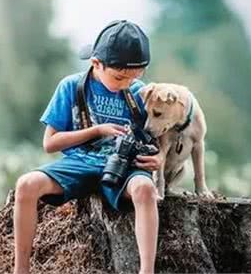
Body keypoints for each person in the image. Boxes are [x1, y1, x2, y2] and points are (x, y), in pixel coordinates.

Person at [13, 20, 161, 274]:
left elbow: (157, 141)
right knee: (26, 185)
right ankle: (21, 268)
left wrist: (158, 160)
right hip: (79, 162)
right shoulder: (72, 86)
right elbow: (50, 143)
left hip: (124, 167)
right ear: (96, 63)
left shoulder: (140, 93)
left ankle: (146, 270)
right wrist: (97, 131)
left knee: (146, 189)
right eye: (118, 77)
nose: (127, 83)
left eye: (134, 76)